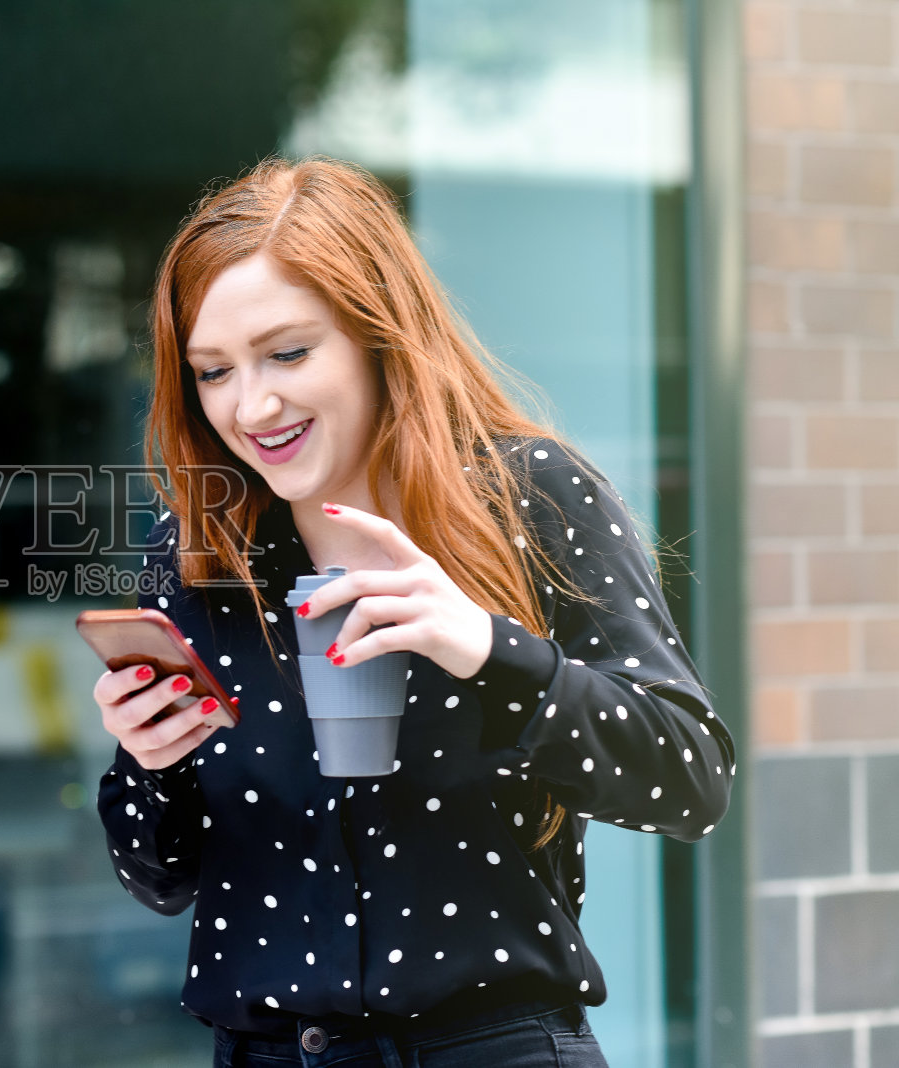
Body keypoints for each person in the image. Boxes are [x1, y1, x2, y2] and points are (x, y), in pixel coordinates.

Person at [92, 156, 734, 1066]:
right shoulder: (199, 550)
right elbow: (158, 878)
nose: (253, 404)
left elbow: (691, 779)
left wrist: (488, 649)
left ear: (377, 334)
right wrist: (148, 762)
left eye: (288, 353)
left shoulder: (529, 499)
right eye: (212, 371)